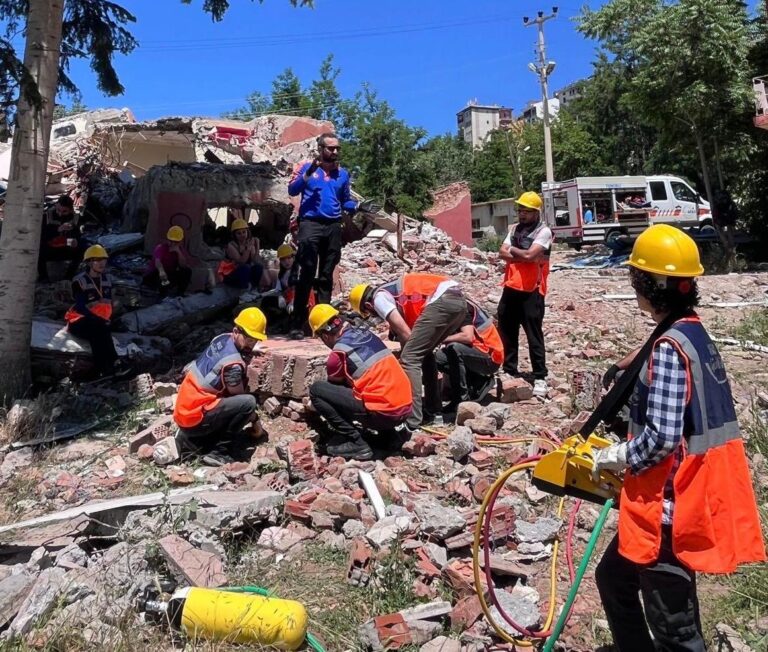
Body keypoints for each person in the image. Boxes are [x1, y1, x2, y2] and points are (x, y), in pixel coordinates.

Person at [593, 224, 766, 652]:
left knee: (676, 628)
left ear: (646, 284)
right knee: (613, 578)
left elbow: (662, 439)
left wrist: (614, 456)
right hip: (682, 495)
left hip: (671, 508)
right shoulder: (693, 332)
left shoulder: (670, 348)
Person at [287, 132, 379, 339]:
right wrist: (309, 172)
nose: (335, 151)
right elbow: (293, 191)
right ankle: (297, 323)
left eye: (337, 148)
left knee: (327, 275)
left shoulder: (343, 174)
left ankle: (325, 323)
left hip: (333, 226)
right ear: (321, 149)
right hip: (310, 224)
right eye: (331, 148)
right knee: (307, 273)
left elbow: (345, 201)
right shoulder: (307, 169)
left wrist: (358, 206)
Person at [349, 273, 467, 431]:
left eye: (370, 313)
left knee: (410, 359)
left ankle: (412, 421)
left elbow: (405, 333)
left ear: (368, 306)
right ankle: (433, 411)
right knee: (425, 354)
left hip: (442, 301)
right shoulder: (394, 294)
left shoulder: (379, 298)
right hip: (459, 302)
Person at [308, 304, 413, 460]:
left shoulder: (338, 353)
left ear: (324, 336)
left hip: (384, 413)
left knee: (317, 391)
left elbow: (335, 388)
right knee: (371, 385)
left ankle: (357, 442)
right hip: (405, 407)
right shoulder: (366, 334)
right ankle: (389, 437)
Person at [173, 307, 267, 466]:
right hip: (194, 417)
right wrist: (256, 422)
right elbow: (238, 398)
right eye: (250, 339)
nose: (252, 344)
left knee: (235, 403)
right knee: (248, 403)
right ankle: (219, 452)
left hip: (185, 409)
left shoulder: (221, 339)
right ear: (237, 331)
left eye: (255, 340)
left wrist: (249, 350)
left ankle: (197, 439)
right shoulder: (233, 365)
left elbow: (225, 355)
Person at [497, 191, 552, 398]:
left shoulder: (544, 231)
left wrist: (515, 252)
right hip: (511, 286)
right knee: (507, 329)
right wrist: (523, 255)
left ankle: (540, 376)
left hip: (533, 290)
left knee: (533, 333)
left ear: (535, 212)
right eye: (520, 210)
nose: (522, 215)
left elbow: (531, 256)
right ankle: (510, 369)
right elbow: (502, 253)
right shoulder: (514, 229)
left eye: (526, 212)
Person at [65, 244, 128, 378]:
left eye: (103, 260)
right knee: (98, 330)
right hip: (78, 320)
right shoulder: (80, 281)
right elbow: (81, 306)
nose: (101, 263)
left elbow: (107, 303)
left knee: (100, 331)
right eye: (97, 260)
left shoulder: (106, 280)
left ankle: (111, 366)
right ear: (89, 262)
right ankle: (108, 365)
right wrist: (98, 319)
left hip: (100, 321)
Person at [435, 300, 503, 413]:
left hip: (490, 357)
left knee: (454, 348)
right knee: (437, 358)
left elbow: (468, 337)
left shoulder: (461, 307)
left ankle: (461, 399)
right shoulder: (452, 303)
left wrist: (439, 339)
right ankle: (478, 382)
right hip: (475, 352)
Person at [38, 194, 84, 282]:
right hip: (49, 249)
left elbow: (77, 235)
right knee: (39, 250)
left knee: (80, 251)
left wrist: (75, 241)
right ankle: (43, 277)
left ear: (70, 210)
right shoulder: (47, 216)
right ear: (56, 205)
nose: (60, 214)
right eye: (58, 210)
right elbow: (42, 236)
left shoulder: (74, 218)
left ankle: (68, 278)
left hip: (65, 247)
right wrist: (58, 230)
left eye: (64, 211)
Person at [142, 226, 192, 297]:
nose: (172, 244)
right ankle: (162, 295)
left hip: (168, 275)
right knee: (163, 277)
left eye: (175, 242)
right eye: (171, 241)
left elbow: (183, 265)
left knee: (187, 271)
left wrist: (178, 252)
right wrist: (161, 271)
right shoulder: (161, 248)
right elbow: (158, 262)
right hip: (154, 275)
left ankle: (180, 293)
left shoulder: (180, 250)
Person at [217, 219, 265, 290]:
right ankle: (243, 291)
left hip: (244, 275)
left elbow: (255, 260)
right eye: (239, 233)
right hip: (231, 275)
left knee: (258, 267)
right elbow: (242, 261)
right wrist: (248, 249)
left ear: (247, 232)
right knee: (245, 268)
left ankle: (253, 289)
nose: (242, 235)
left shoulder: (248, 243)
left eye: (244, 232)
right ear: (234, 235)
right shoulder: (231, 245)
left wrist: (257, 245)